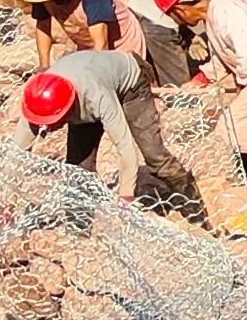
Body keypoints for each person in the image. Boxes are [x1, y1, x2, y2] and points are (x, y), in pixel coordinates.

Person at [19, 55, 200, 222]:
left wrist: (126, 197)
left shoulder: (96, 97)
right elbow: (14, 156)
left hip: (130, 84)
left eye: (51, 123)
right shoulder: (37, 101)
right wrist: (7, 204)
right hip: (87, 86)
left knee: (154, 155)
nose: (47, 129)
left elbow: (125, 146)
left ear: (65, 111)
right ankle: (79, 230)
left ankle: (196, 213)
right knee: (77, 169)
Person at [155, 0, 247, 181]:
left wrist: (244, 85)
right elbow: (224, 57)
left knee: (234, 127)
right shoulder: (213, 16)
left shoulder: (226, 10)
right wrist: (202, 78)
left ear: (180, 10)